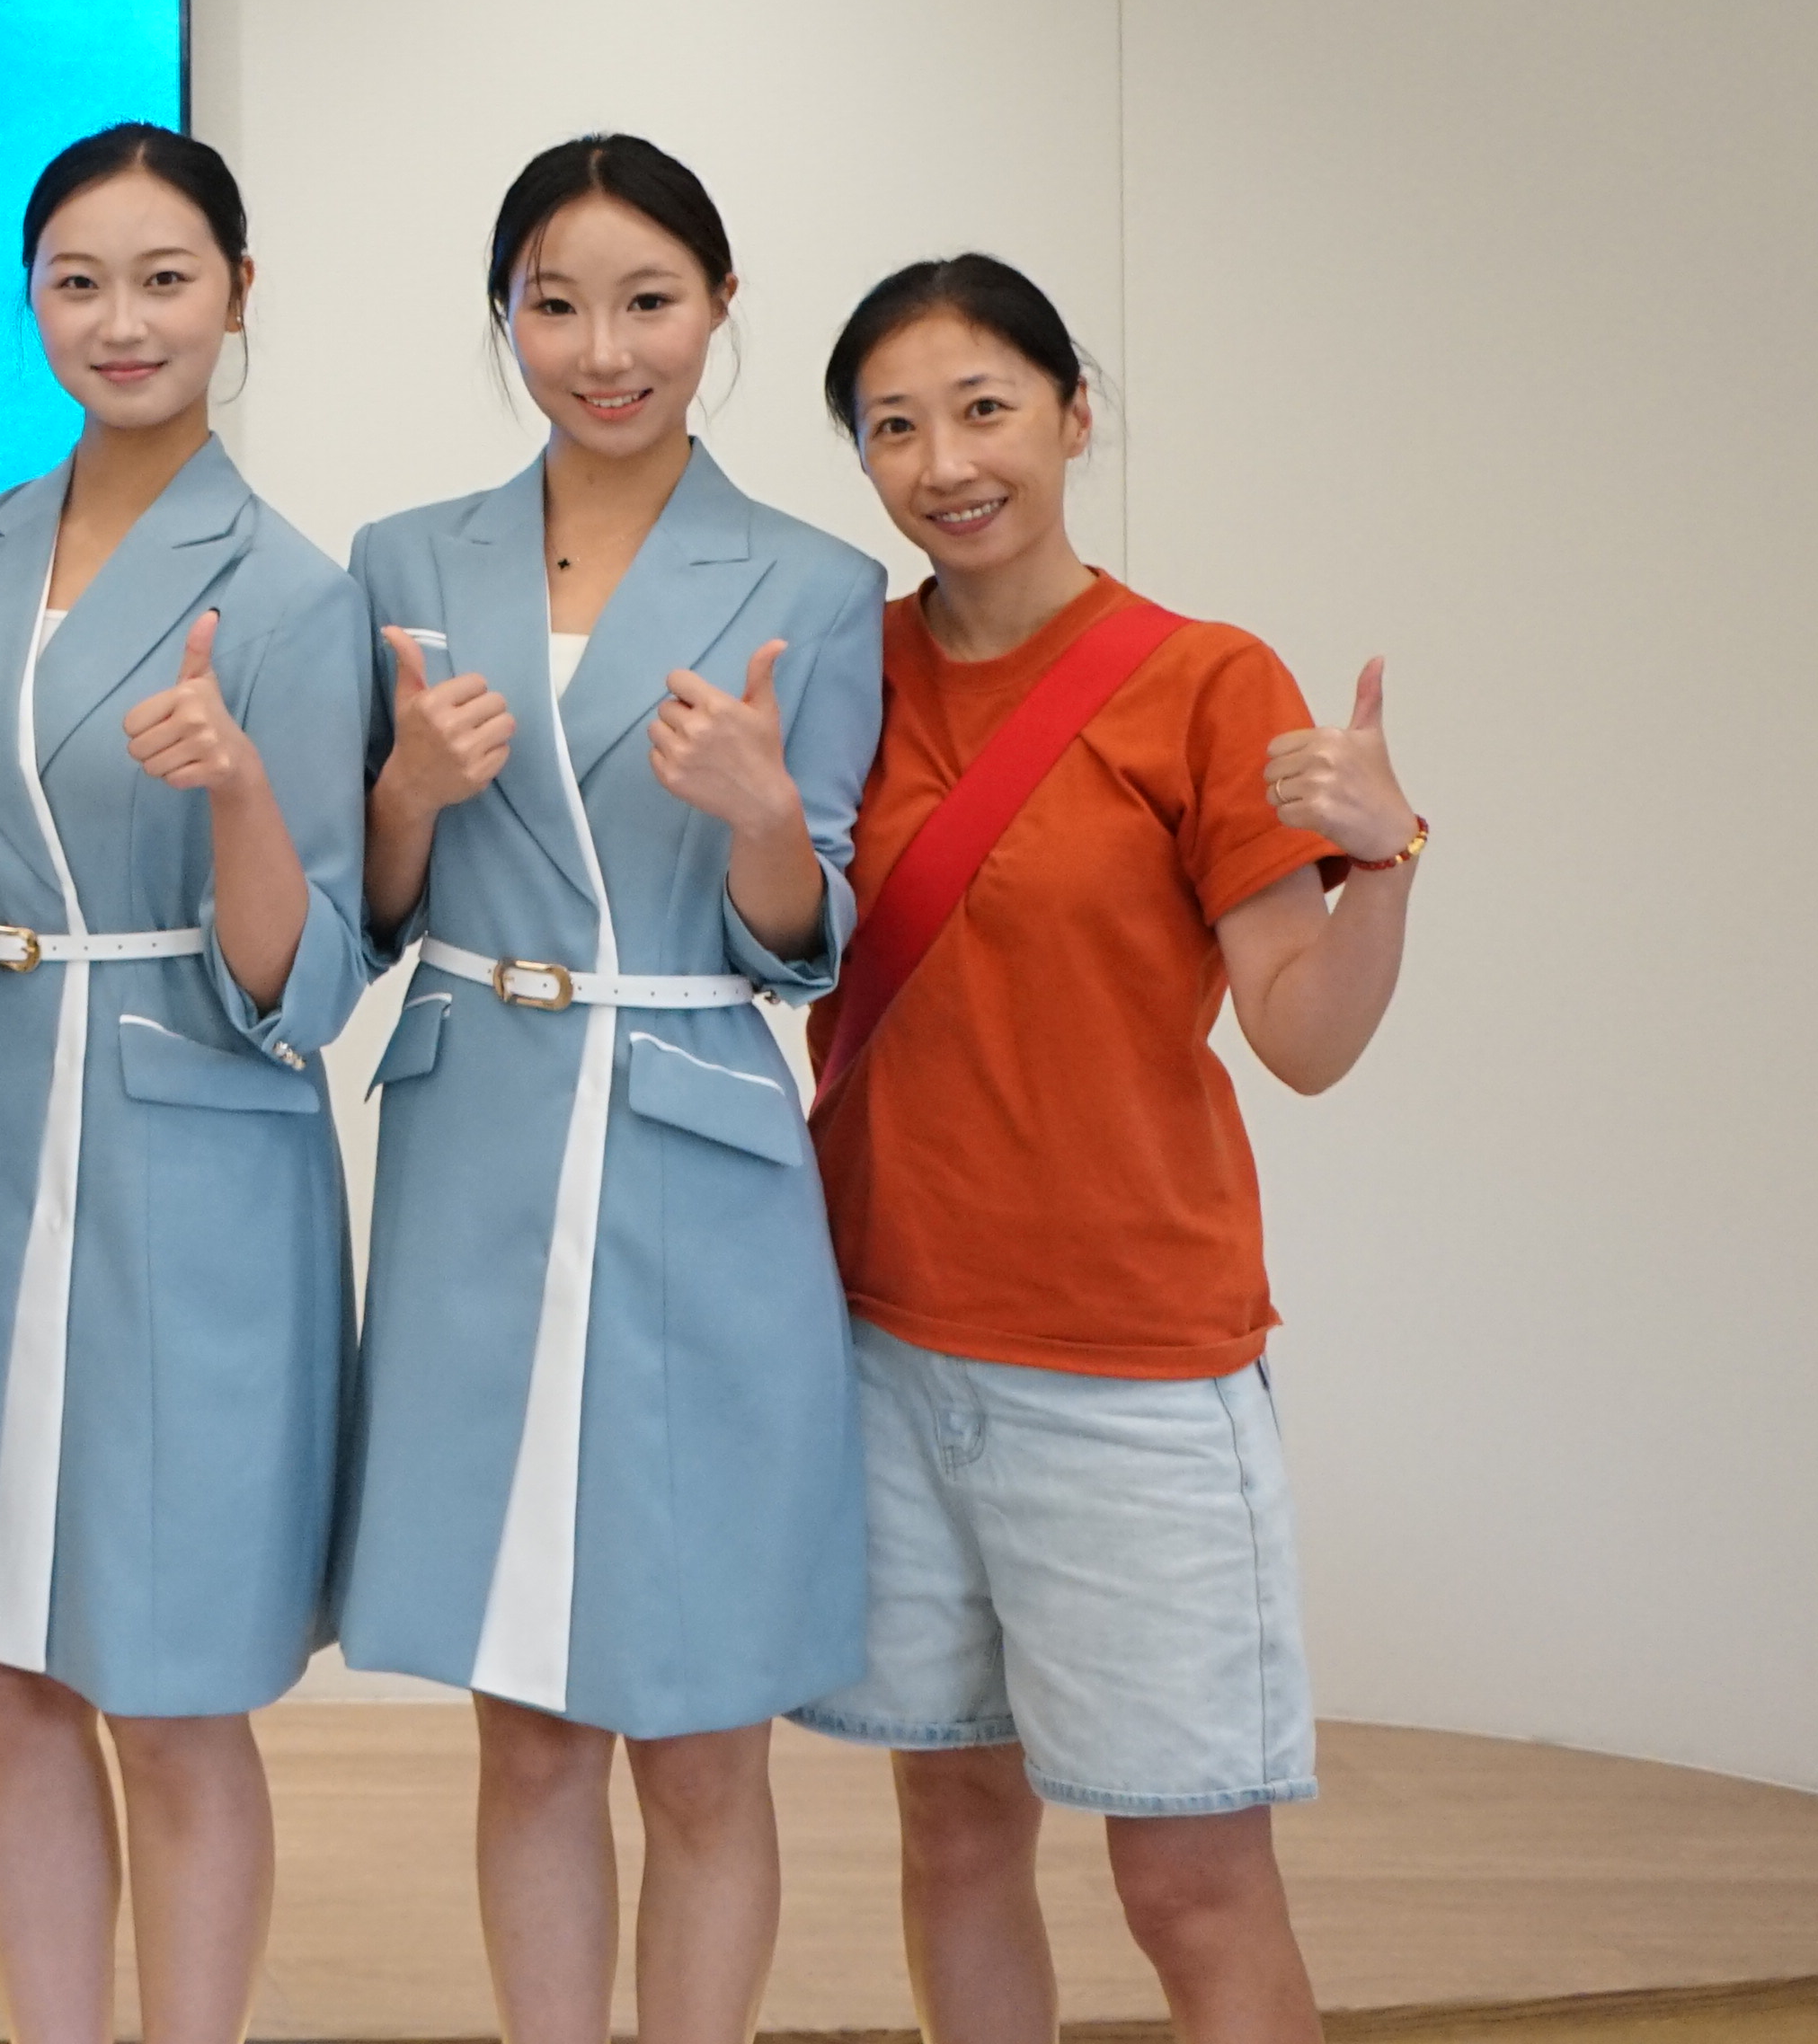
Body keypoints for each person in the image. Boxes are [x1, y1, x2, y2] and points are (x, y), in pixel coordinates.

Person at [794, 256, 1427, 2044]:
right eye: (894, 426)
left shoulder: (1205, 682)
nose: (944, 462)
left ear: (1076, 415)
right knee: (954, 1831)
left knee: (1191, 1881)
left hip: (1131, 1372)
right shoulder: (847, 667)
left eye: (984, 408)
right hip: (882, 1344)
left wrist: (1386, 859)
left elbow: (1302, 1035)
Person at [0, 122, 370, 2044]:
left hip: (197, 1170)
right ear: (32, 300)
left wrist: (240, 792)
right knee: (2, 1669)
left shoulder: (294, 592)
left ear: (237, 291)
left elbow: (306, 986)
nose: (121, 320)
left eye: (165, 279)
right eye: (79, 282)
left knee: (176, 1681)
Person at [330, 133, 886, 2044]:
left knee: (706, 1729)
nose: (602, 348)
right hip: (478, 1137)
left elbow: (803, 945)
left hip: (697, 1160)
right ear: (505, 317)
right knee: (530, 1723)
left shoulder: (817, 580)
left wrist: (761, 817)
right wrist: (407, 792)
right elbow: (371, 914)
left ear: (719, 306)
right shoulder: (409, 560)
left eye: (647, 300)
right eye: (553, 304)